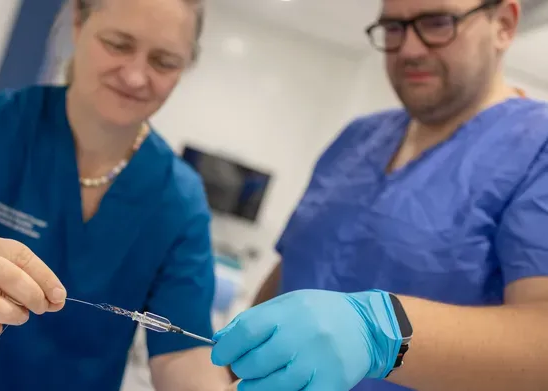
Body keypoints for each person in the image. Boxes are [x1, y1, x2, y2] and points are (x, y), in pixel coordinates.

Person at [0, 0, 232, 390]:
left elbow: (180, 354)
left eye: (164, 61)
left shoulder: (179, 201)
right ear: (78, 23)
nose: (136, 76)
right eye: (118, 44)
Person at [211, 0, 548, 390]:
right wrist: (231, 367)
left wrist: (378, 331)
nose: (409, 49)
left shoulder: (536, 150)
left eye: (438, 24)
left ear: (504, 25)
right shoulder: (356, 139)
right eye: (393, 28)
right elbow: (293, 269)